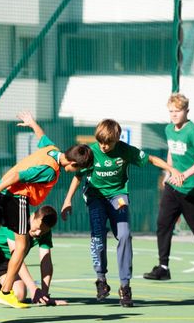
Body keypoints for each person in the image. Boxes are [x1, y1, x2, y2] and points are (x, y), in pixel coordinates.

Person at [0, 111, 93, 309]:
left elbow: (42, 136)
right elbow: (18, 176)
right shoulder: (50, 170)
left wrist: (32, 123)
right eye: (76, 169)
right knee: (21, 246)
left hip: (5, 194)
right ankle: (5, 293)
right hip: (17, 197)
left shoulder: (52, 150)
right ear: (72, 163)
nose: (74, 172)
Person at [61, 119, 184, 307]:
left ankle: (125, 286)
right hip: (95, 198)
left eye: (108, 143)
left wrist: (171, 169)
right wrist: (67, 200)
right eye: (100, 142)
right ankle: (101, 279)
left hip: (118, 196)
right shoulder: (91, 152)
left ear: (117, 139)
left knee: (125, 235)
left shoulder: (125, 151)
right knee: (98, 237)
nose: (103, 146)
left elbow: (151, 159)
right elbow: (78, 176)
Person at [143, 93, 194, 283]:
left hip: (193, 189)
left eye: (178, 111)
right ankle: (163, 267)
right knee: (163, 224)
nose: (174, 115)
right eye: (171, 111)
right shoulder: (169, 129)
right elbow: (172, 150)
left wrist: (184, 175)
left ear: (186, 111)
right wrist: (168, 173)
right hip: (173, 187)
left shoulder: (193, 132)